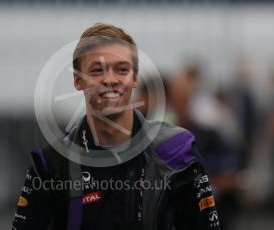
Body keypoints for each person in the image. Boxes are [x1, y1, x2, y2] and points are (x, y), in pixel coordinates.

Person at [12, 23, 220, 230]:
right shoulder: (51, 165)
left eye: (121, 69)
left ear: (134, 78)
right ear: (77, 80)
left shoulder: (177, 150)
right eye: (97, 70)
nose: (110, 80)